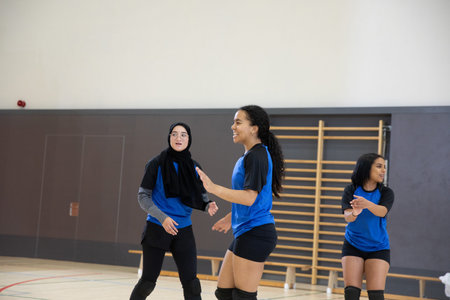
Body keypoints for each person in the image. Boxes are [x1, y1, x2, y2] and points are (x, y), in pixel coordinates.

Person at [196, 105, 285, 300]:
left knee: (243, 296)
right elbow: (257, 199)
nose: (232, 127)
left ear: (254, 128)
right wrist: (231, 217)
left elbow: (250, 197)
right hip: (245, 231)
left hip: (256, 233)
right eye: (233, 122)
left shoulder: (257, 155)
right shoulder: (250, 156)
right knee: (224, 293)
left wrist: (213, 188)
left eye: (238, 122)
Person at [130, 122, 218, 300]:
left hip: (183, 229)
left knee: (192, 283)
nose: (179, 138)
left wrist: (208, 205)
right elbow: (143, 197)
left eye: (183, 134)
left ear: (189, 139)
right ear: (169, 137)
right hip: (157, 226)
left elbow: (199, 196)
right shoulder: (155, 163)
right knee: (148, 281)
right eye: (175, 134)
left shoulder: (194, 167)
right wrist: (163, 218)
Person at [341, 153, 395, 300]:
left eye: (384, 167)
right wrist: (355, 212)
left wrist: (367, 204)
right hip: (353, 245)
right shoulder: (351, 190)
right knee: (351, 293)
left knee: (376, 295)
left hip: (378, 247)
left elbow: (382, 211)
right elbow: (348, 217)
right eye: (379, 166)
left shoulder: (386, 192)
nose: (383, 170)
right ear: (366, 168)